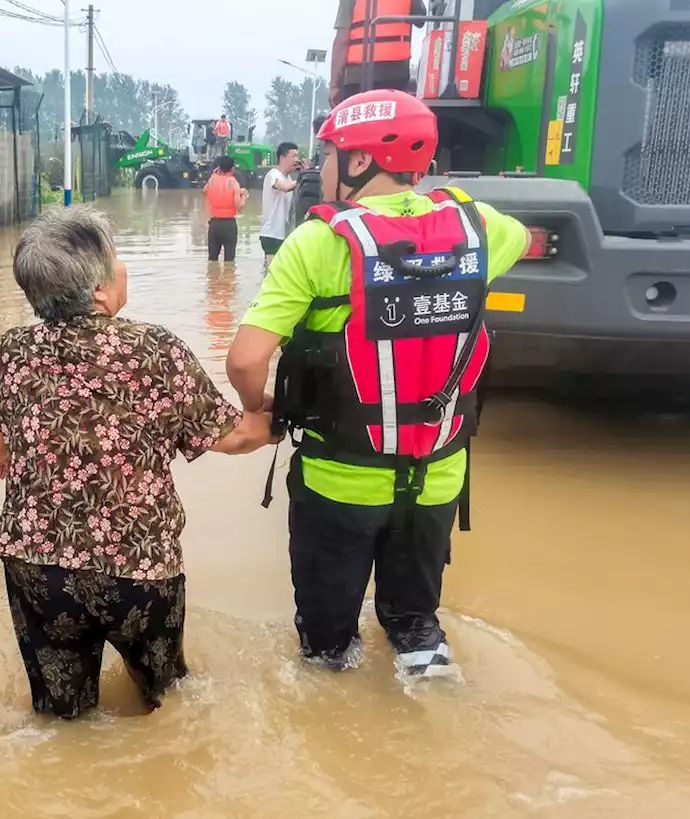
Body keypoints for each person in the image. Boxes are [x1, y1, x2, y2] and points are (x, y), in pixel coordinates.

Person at [225, 90, 531, 678]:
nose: (323, 167)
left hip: (339, 481)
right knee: (415, 624)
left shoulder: (317, 243)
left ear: (361, 162)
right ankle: (427, 683)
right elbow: (514, 234)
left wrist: (258, 406)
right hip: (438, 477)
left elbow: (245, 359)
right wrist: (443, 202)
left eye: (331, 154)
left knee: (327, 646)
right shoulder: (480, 228)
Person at [0, 206, 276, 720]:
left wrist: (10, 456)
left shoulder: (11, 350)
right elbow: (237, 437)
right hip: (139, 567)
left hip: (36, 567)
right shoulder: (153, 349)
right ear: (97, 288)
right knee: (166, 702)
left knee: (60, 718)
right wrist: (293, 415)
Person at [330, 0, 428, 106]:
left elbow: (342, 41)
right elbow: (420, 19)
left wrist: (334, 86)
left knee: (361, 119)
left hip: (357, 76)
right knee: (390, 119)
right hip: (396, 74)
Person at [260, 142, 305, 268]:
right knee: (273, 273)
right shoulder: (273, 174)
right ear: (282, 158)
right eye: (293, 156)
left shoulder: (289, 178)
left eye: (298, 156)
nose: (297, 160)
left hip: (284, 234)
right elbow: (284, 187)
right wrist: (303, 176)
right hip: (272, 234)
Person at [204, 156, 249, 263]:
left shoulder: (212, 180)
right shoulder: (234, 183)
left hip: (214, 225)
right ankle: (228, 279)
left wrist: (215, 174)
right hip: (229, 226)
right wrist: (244, 197)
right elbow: (239, 207)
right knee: (229, 261)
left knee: (212, 260)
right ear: (232, 169)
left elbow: (205, 191)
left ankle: (212, 278)